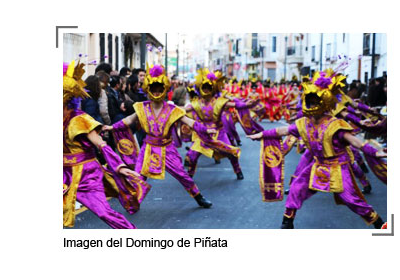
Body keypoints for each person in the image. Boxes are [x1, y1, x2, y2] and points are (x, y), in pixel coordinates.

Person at [248, 69, 386, 229]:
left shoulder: (335, 124)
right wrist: (262, 135)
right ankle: (287, 222)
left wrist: (375, 152)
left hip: (337, 167)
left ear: (325, 102)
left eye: (315, 102)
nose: (311, 105)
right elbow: (282, 131)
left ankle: (379, 223)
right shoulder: (304, 123)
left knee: (353, 201)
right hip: (318, 165)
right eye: (310, 101)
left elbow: (356, 142)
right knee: (296, 187)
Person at [105, 64, 215, 208]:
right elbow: (129, 120)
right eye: (153, 89)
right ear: (148, 89)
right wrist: (112, 127)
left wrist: (205, 130)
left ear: (164, 89)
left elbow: (189, 121)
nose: (156, 92)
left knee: (181, 174)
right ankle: (135, 201)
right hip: (148, 148)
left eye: (159, 89)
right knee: (138, 176)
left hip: (167, 148)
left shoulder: (172, 109)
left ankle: (198, 197)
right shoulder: (142, 107)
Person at [63, 60, 149, 229]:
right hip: (63, 173)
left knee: (103, 212)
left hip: (86, 174)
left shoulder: (79, 120)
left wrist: (119, 166)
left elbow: (101, 144)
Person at [185, 69, 256, 180]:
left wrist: (247, 104)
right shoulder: (196, 103)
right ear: (199, 88)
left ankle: (238, 170)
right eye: (204, 88)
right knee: (192, 156)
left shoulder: (219, 101)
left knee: (231, 153)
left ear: (213, 88)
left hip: (219, 133)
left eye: (208, 88)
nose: (206, 90)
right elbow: (183, 110)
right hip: (203, 133)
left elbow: (234, 105)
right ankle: (189, 176)